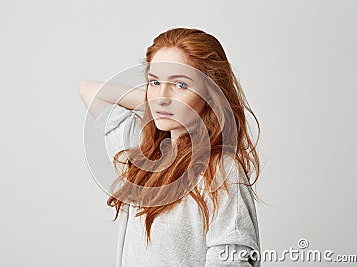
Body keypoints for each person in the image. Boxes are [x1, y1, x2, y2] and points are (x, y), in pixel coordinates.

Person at [80, 27, 262, 267]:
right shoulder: (144, 151)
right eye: (154, 81)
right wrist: (160, 98)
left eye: (181, 85)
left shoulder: (220, 170)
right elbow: (89, 91)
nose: (162, 96)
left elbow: (231, 261)